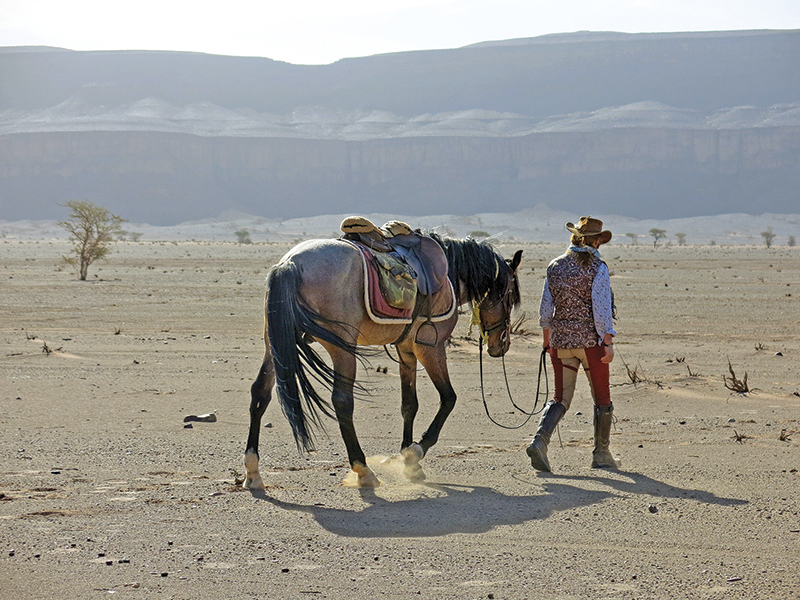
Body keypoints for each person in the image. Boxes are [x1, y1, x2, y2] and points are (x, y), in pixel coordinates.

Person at [527, 216, 618, 472]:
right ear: (596, 241)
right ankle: (601, 455)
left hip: (560, 341)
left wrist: (548, 340)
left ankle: (539, 442)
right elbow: (601, 310)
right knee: (602, 398)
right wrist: (608, 341)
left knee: (560, 398)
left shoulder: (555, 266)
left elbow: (546, 308)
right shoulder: (597, 268)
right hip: (591, 343)